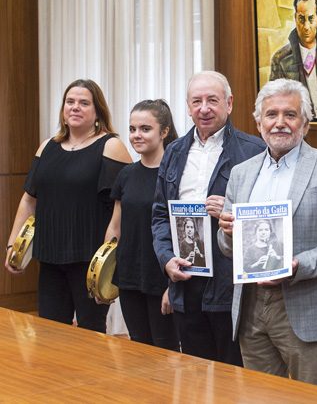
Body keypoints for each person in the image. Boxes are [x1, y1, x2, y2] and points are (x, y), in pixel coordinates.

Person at [217, 78, 317, 386]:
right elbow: (226, 246)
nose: (280, 123)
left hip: (304, 302)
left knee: (309, 397)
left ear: (306, 123)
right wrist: (227, 232)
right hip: (251, 305)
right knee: (259, 394)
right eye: (271, 115)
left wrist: (297, 265)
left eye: (290, 115)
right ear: (258, 122)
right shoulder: (241, 174)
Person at [151, 71, 265, 365]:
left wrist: (232, 208)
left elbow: (268, 217)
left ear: (229, 103)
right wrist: (166, 259)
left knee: (233, 377)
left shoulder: (253, 151)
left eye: (212, 100)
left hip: (232, 286)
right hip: (186, 281)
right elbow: (160, 214)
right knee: (193, 375)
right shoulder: (173, 152)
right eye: (196, 101)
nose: (204, 108)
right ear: (187, 107)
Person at [4, 79, 132, 332]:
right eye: (70, 102)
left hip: (89, 258)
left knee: (90, 332)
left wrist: (114, 258)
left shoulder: (111, 146)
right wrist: (12, 244)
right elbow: (29, 199)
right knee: (50, 333)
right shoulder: (47, 146)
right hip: (50, 254)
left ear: (98, 111)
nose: (75, 107)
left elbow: (125, 204)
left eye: (84, 103)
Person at [104, 99, 180, 350]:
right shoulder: (126, 174)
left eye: (145, 129)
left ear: (164, 131)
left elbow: (184, 234)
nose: (136, 135)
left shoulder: (176, 175)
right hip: (129, 278)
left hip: (161, 279)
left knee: (165, 353)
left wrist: (173, 287)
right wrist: (103, 276)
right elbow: (115, 228)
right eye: (133, 129)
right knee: (138, 350)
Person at [270, 0, 317, 120]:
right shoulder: (280, 60)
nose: (306, 26)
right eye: (302, 19)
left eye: (311, 18)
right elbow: (274, 106)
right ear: (295, 18)